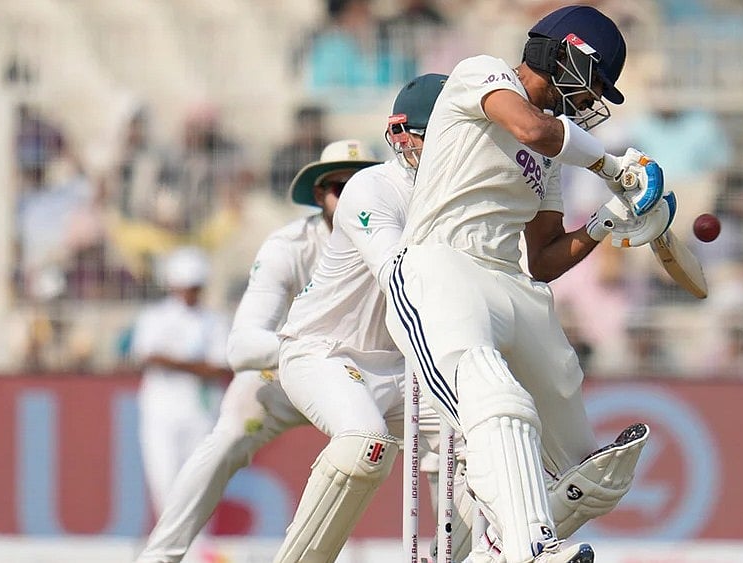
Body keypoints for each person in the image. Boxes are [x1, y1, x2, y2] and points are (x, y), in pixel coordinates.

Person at [383, 6, 672, 563]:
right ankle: (532, 550)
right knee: (498, 399)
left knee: (594, 473)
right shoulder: (482, 72)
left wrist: (608, 220)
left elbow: (542, 260)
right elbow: (532, 128)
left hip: (512, 285)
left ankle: (495, 552)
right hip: (442, 267)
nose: (588, 104)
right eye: (591, 86)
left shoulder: (554, 159)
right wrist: (616, 168)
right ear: (561, 51)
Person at [134, 140, 381, 563]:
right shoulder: (289, 246)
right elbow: (243, 346)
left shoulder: (396, 239)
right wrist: (311, 350)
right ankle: (159, 557)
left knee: (454, 432)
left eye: (362, 184)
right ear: (319, 195)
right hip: (288, 374)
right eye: (341, 187)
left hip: (373, 376)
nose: (353, 196)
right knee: (227, 437)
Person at [271, 73, 449, 563]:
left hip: (399, 366)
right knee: (365, 447)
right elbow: (399, 274)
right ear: (400, 134)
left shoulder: (456, 196)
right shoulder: (372, 187)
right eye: (434, 133)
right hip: (323, 351)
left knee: (483, 437)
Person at [133, 246, 233, 523]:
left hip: (201, 414)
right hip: (161, 414)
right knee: (165, 486)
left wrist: (173, 362)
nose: (188, 294)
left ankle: (197, 550)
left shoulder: (214, 321)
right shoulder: (155, 318)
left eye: (194, 287)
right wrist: (194, 365)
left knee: (199, 488)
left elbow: (218, 367)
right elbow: (147, 356)